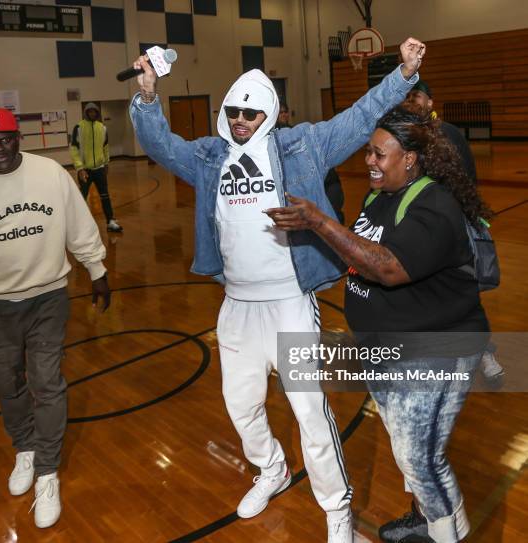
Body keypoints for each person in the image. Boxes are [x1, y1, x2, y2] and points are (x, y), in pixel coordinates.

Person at [130, 37, 425, 542]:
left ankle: (337, 512)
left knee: (310, 411)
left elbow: (357, 119)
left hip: (290, 302)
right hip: (237, 306)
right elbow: (161, 146)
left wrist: (402, 74)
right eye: (233, 111)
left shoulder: (303, 144)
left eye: (250, 111)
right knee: (240, 406)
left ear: (267, 112)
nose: (241, 120)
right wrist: (148, 97)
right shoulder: (209, 157)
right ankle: (272, 469)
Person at [266, 106, 491, 543]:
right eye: (367, 152)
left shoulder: (435, 206)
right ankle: (424, 519)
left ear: (410, 159)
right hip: (384, 348)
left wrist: (319, 221)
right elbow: (357, 253)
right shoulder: (378, 197)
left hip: (434, 350)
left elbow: (387, 267)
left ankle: (448, 533)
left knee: (420, 457)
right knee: (409, 451)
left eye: (378, 154)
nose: (368, 161)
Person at [0, 107, 111, 529]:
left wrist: (97, 269)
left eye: (6, 140)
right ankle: (25, 447)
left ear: (19, 137)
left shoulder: (50, 174)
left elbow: (79, 226)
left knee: (48, 381)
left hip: (49, 295)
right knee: (7, 381)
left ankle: (48, 471)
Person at [404, 81, 504, 384]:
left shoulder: (448, 134)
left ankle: (484, 353)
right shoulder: (405, 136)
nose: (411, 102)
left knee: (462, 296)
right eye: (407, 97)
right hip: (420, 234)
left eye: (417, 97)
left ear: (430, 103)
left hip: (452, 232)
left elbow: (467, 183)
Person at [276, 103, 345, 224]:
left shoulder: (300, 137)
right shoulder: (270, 144)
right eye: (280, 113)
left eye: (285, 112)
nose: (283, 115)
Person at [70, 102, 123, 232]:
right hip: (85, 170)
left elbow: (105, 147)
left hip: (99, 169)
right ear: (86, 113)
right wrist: (80, 168)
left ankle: (110, 221)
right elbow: (74, 149)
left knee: (105, 195)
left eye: (95, 111)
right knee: (81, 198)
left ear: (97, 113)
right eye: (90, 112)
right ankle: (76, 225)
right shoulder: (79, 127)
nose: (92, 113)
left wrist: (106, 163)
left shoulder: (102, 128)